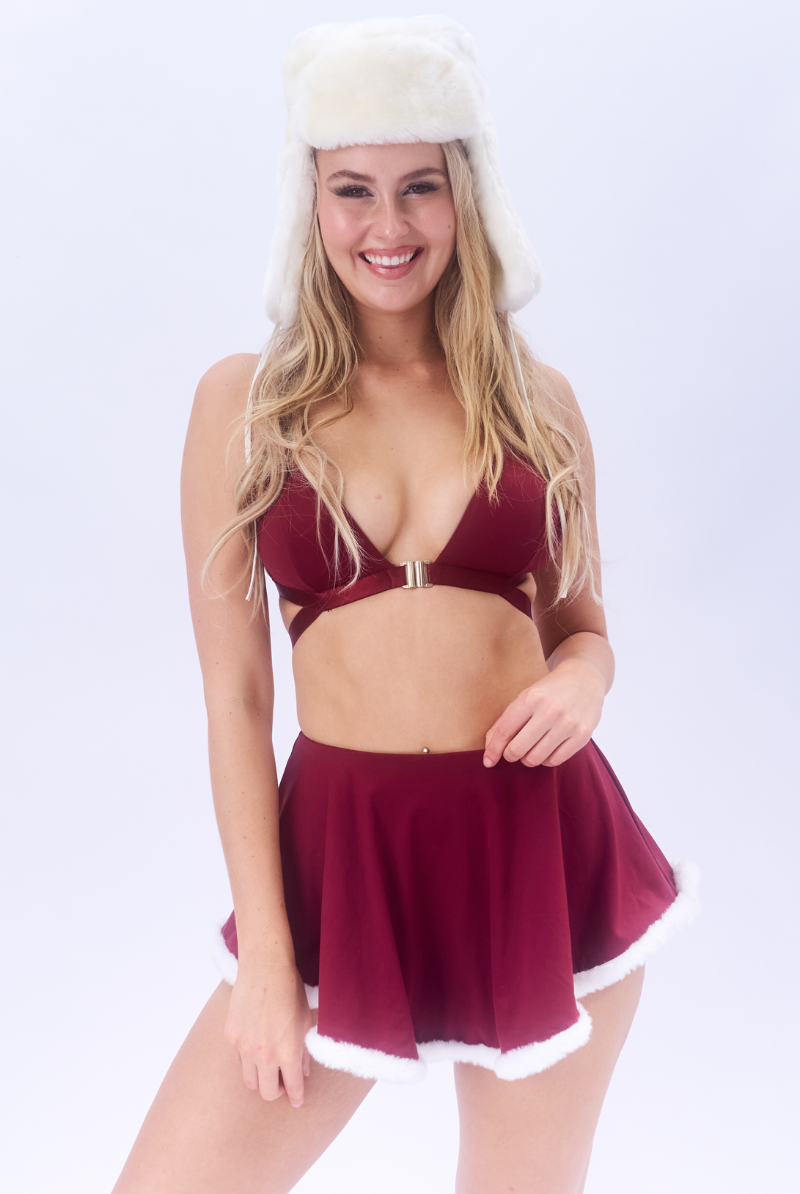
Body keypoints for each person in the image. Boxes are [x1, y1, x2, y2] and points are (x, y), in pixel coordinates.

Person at [113, 16, 698, 1194]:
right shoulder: (245, 406)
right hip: (342, 868)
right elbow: (236, 698)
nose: (388, 226)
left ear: (463, 195)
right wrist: (266, 958)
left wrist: (580, 681)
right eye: (354, 190)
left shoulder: (538, 402)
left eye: (419, 186)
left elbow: (581, 631)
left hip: (541, 859)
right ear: (311, 202)